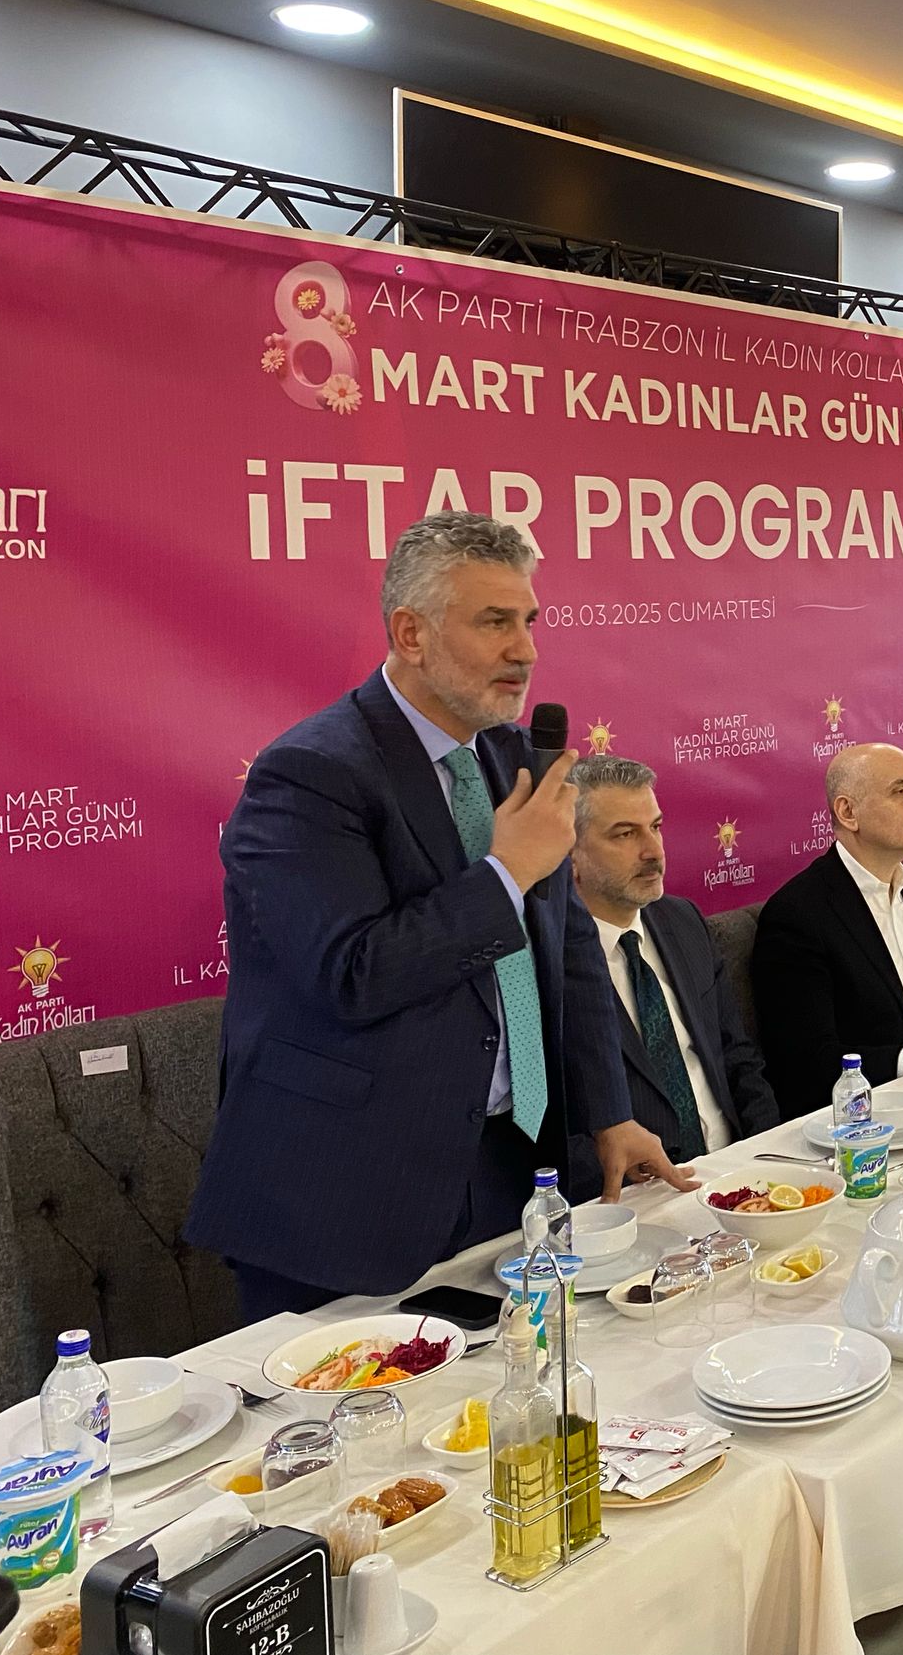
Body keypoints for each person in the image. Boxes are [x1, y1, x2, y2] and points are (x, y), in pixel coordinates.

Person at [187, 512, 691, 1323]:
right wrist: (504, 872)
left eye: (528, 620)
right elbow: (352, 973)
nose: (524, 649)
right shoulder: (308, 773)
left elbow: (567, 946)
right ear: (411, 633)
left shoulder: (511, 756)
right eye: (493, 622)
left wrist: (608, 1109)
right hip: (348, 1199)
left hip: (507, 1168)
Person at [753, 743, 903, 1117]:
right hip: (883, 1110)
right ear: (848, 812)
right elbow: (806, 1061)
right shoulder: (798, 915)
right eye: (902, 792)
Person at [567, 754, 779, 1164]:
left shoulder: (682, 921)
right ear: (571, 852)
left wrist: (767, 1154)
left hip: (737, 1165)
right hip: (639, 1184)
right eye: (625, 834)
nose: (652, 851)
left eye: (656, 827)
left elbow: (739, 1058)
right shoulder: (550, 960)